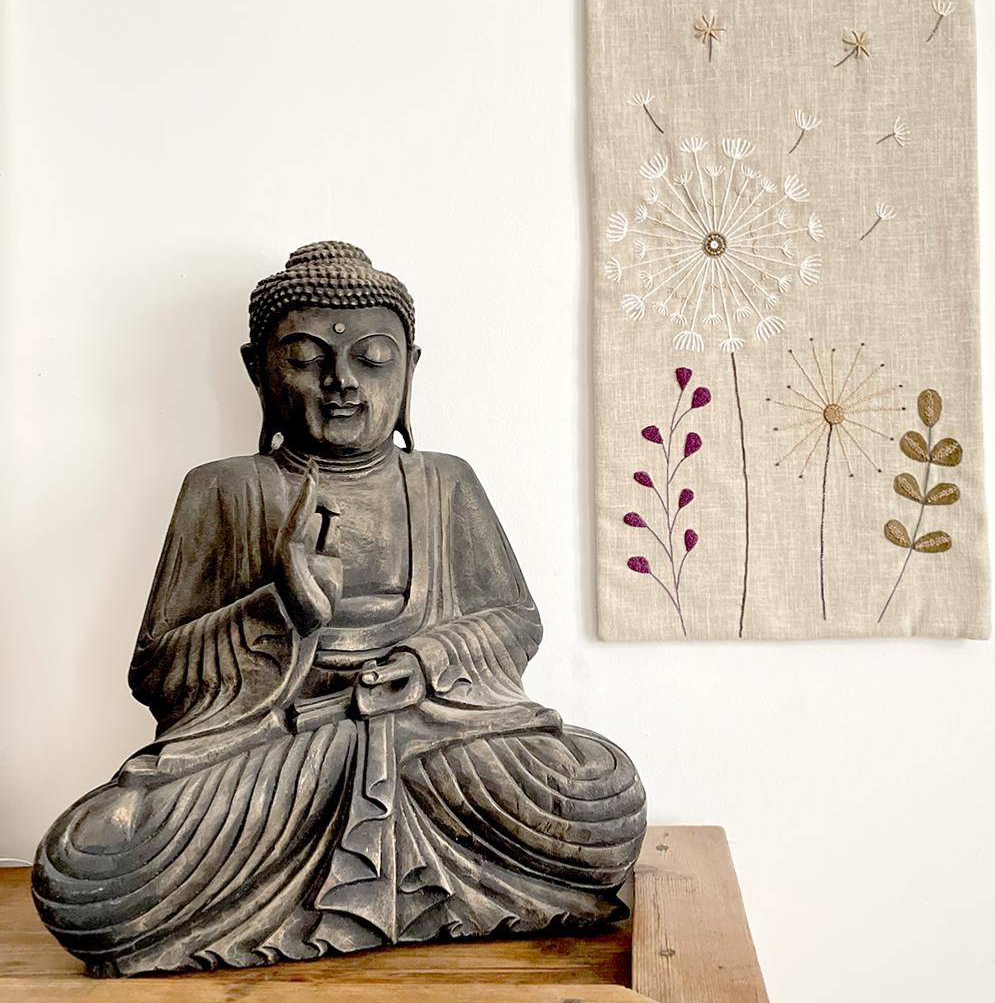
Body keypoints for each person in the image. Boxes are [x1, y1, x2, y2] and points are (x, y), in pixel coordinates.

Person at [33, 241, 646, 976]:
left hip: (434, 740)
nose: (342, 382)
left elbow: (515, 620)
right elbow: (159, 672)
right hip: (282, 753)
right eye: (306, 358)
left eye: (373, 359)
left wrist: (427, 660)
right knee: (85, 866)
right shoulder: (225, 489)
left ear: (410, 369)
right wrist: (278, 608)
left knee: (599, 792)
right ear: (258, 370)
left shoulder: (445, 482)